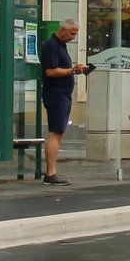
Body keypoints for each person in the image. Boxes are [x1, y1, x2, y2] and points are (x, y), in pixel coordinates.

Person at [40, 18, 87, 185]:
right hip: (56, 95)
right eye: (72, 34)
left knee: (58, 133)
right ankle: (51, 173)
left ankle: (51, 172)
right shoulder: (52, 45)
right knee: (55, 133)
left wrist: (74, 70)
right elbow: (51, 71)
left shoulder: (60, 46)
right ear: (63, 30)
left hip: (63, 95)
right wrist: (73, 70)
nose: (73, 38)